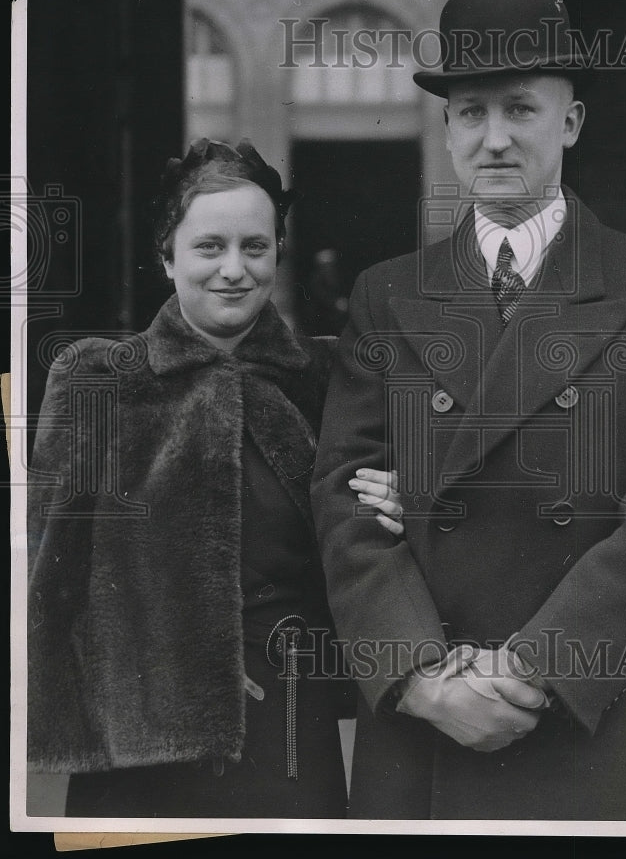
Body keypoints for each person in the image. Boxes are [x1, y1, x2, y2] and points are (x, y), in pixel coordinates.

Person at [311, 0, 626, 821]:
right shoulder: (386, 295)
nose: (494, 139)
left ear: (568, 123)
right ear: (447, 129)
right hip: (430, 722)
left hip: (592, 711)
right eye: (469, 112)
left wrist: (532, 668)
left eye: (520, 110)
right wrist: (420, 673)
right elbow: (344, 501)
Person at [26, 137, 401, 818]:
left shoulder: (326, 378)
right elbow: (53, 578)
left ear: (277, 253)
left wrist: (400, 504)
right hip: (139, 749)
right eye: (209, 247)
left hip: (290, 731)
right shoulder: (98, 381)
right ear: (167, 256)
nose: (234, 269)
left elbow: (364, 540)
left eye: (254, 247)